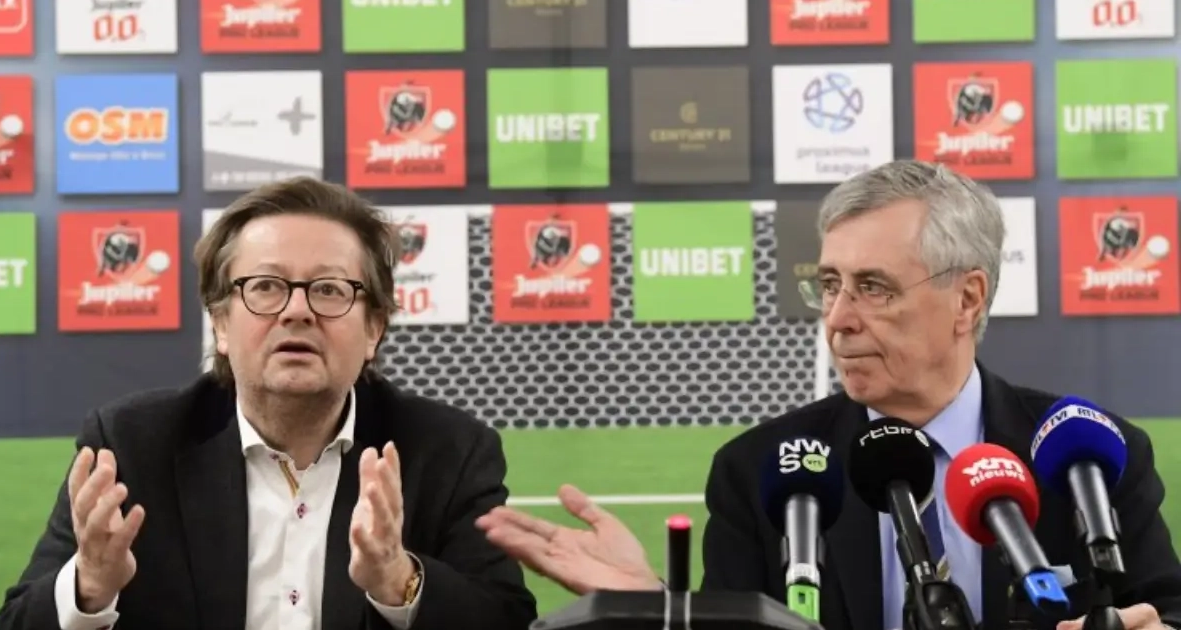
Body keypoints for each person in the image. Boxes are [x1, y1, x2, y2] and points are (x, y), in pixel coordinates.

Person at [475, 160, 1181, 630]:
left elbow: (1164, 609)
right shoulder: (759, 470)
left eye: (873, 287)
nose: (838, 319)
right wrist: (659, 607)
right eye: (830, 285)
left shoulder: (1087, 455)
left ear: (967, 299)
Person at [0, 177, 537, 630]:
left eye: (329, 289)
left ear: (374, 329)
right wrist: (88, 587)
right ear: (221, 324)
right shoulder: (130, 447)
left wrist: (400, 581)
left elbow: (507, 619)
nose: (297, 311)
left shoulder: (449, 451)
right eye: (266, 287)